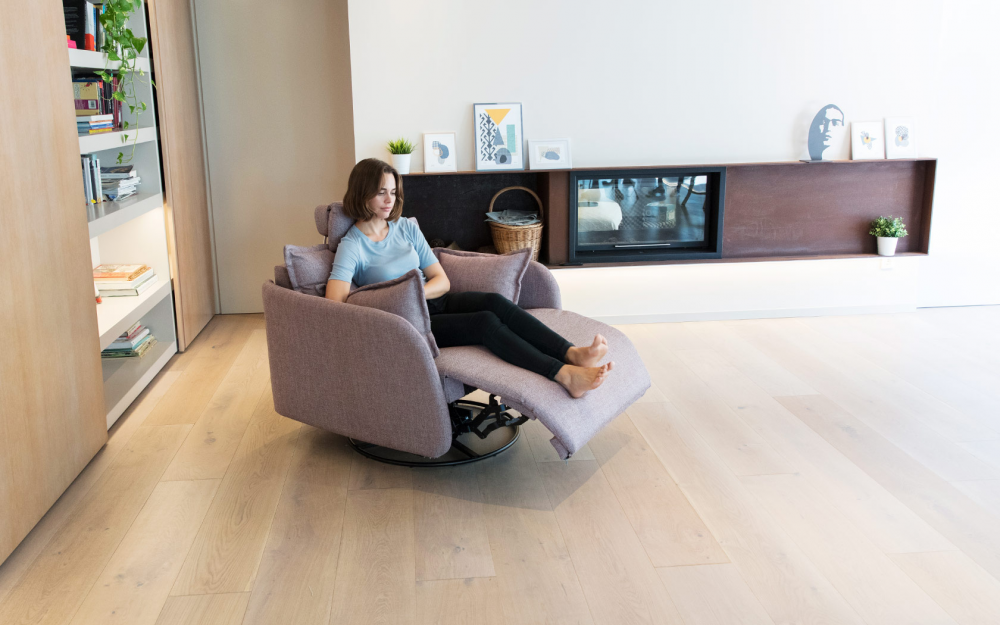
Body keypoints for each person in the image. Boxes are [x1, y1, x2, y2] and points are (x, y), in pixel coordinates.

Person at [325, 158, 613, 398]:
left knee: (495, 302)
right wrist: (394, 302)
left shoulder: (405, 227)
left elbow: (441, 280)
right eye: (381, 192)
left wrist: (417, 293)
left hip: (434, 300)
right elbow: (335, 304)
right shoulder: (353, 245)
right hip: (410, 322)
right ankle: (564, 375)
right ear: (362, 193)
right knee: (484, 322)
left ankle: (571, 353)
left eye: (393, 192)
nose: (390, 200)